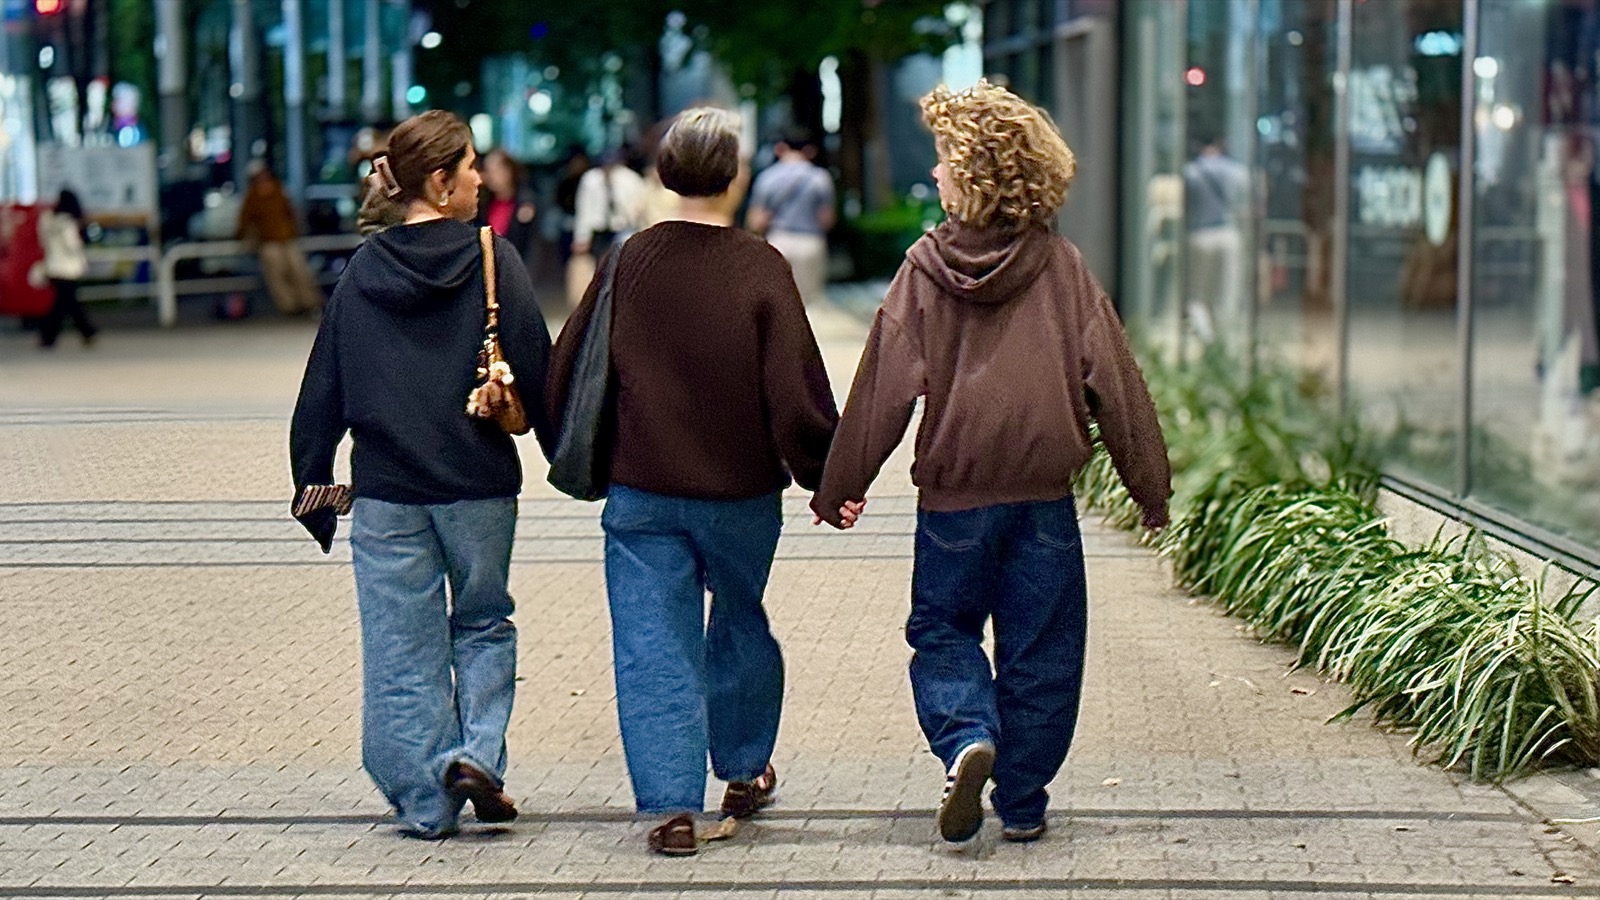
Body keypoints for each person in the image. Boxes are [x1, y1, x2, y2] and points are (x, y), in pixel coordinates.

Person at [810, 81, 1172, 845]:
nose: (935, 172)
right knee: (1045, 651)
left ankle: (968, 733)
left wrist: (841, 486)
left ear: (973, 175)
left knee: (942, 630)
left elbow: (882, 386)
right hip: (1043, 503)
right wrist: (1150, 487)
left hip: (953, 505)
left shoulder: (922, 272)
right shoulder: (1063, 269)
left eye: (945, 159)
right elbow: (1117, 382)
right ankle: (1024, 801)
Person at [545, 108, 838, 858]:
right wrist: (826, 475)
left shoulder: (629, 260)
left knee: (652, 642)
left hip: (642, 489)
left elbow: (570, 362)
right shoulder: (760, 265)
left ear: (666, 173)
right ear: (734, 177)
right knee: (739, 619)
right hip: (742, 491)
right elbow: (794, 387)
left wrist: (569, 444)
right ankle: (743, 768)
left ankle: (672, 806)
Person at [290, 110, 556, 840]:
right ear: (440, 182)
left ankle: (425, 802)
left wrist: (311, 477)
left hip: (388, 491)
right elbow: (539, 370)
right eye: (469, 167)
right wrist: (571, 456)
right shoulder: (493, 258)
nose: (480, 178)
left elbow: (324, 384)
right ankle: (475, 754)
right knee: (482, 622)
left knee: (399, 647)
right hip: (478, 484)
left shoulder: (363, 271)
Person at [747, 129, 835, 305]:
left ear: (780, 149)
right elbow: (826, 219)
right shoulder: (820, 178)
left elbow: (755, 221)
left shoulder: (767, 177)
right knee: (808, 303)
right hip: (810, 243)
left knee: (778, 301)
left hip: (778, 242)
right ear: (810, 151)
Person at [1183, 132, 1249, 343]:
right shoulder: (1237, 172)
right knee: (1226, 295)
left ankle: (1207, 339)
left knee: (1196, 295)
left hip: (1199, 236)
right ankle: (1224, 343)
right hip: (1227, 235)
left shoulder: (1191, 172)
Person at [236, 162, 324, 315]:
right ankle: (289, 306)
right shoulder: (252, 197)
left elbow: (291, 212)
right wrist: (243, 236)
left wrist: (296, 229)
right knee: (277, 275)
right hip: (268, 241)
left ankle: (310, 302)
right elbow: (245, 220)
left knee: (299, 270)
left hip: (288, 238)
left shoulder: (278, 190)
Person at [36, 188, 98, 348]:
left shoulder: (47, 219)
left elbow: (42, 241)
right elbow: (72, 245)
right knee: (67, 303)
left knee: (63, 302)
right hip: (69, 267)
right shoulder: (68, 222)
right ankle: (85, 331)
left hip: (53, 265)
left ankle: (53, 336)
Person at [571, 147, 645, 260]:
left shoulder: (630, 179)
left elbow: (638, 205)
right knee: (601, 263)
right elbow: (584, 209)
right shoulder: (590, 179)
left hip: (623, 228)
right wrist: (582, 236)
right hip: (599, 230)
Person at [477, 148, 538, 263]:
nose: (491, 176)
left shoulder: (525, 203)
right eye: (488, 170)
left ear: (509, 171)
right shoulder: (483, 204)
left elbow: (531, 247)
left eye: (496, 170)